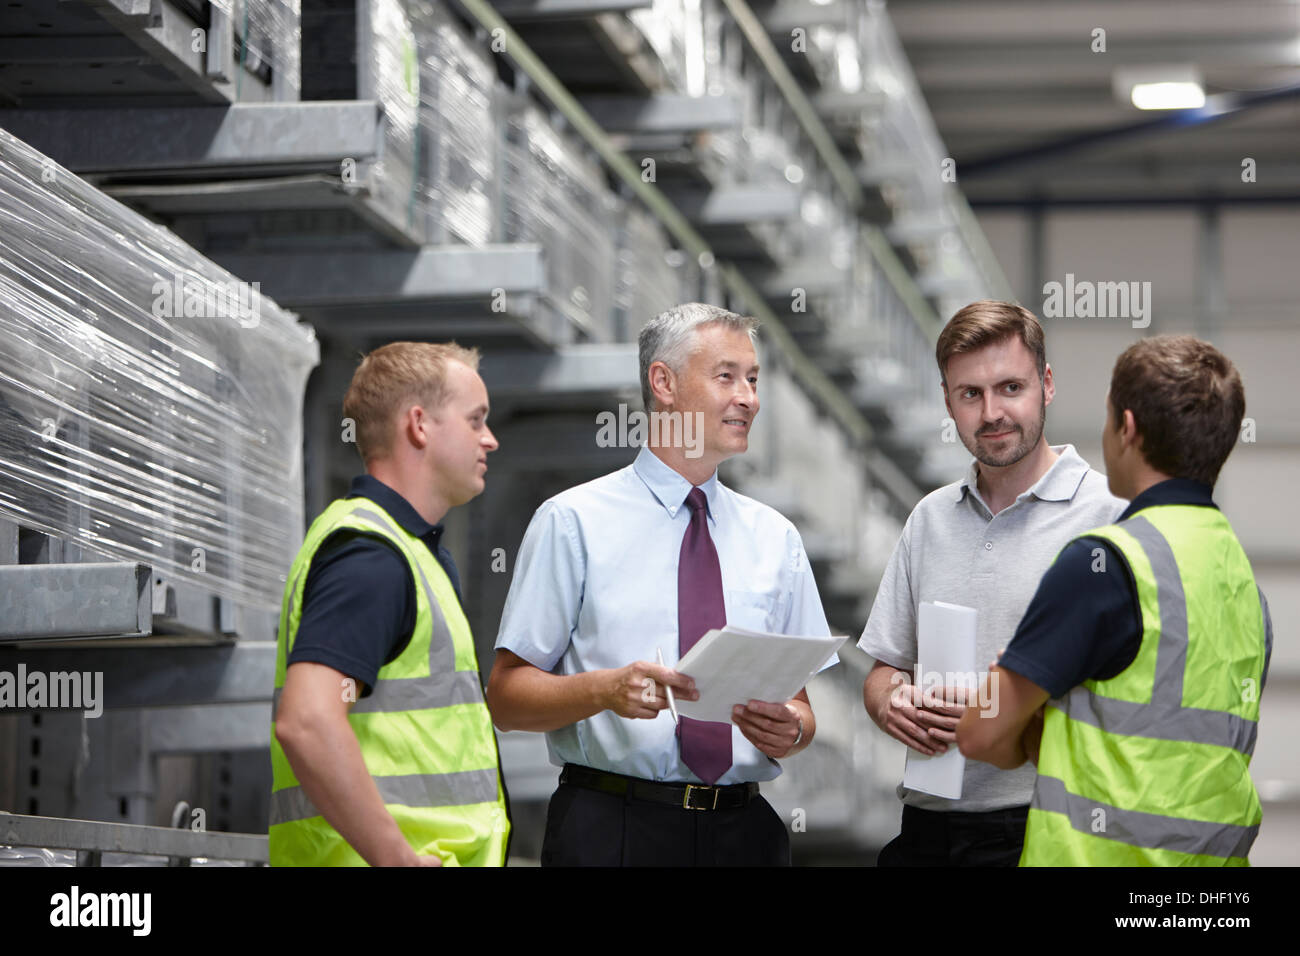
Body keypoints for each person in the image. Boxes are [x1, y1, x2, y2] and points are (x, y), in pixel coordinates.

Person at [487, 303, 834, 866]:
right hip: (613, 829)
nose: (749, 397)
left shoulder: (777, 538)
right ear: (663, 383)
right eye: (727, 376)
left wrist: (791, 731)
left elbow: (800, 706)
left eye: (753, 379)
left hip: (745, 834)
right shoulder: (573, 521)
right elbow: (505, 699)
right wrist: (603, 691)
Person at [958, 335, 1271, 866]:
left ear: (1126, 429)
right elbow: (1172, 748)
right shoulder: (1245, 585)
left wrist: (1029, 720)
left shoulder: (1103, 565)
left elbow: (981, 734)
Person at [859, 300, 1125, 866]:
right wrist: (892, 704)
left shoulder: (1109, 517)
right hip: (928, 827)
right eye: (970, 394)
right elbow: (884, 667)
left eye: (1010, 388)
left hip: (1046, 826)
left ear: (1046, 385)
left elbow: (1132, 694)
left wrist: (1005, 710)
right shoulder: (929, 518)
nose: (992, 412)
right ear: (947, 400)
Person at [269, 341, 510, 866]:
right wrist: (397, 859)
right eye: (475, 421)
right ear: (419, 425)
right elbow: (307, 720)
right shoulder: (373, 558)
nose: (489, 439)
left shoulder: (406, 553)